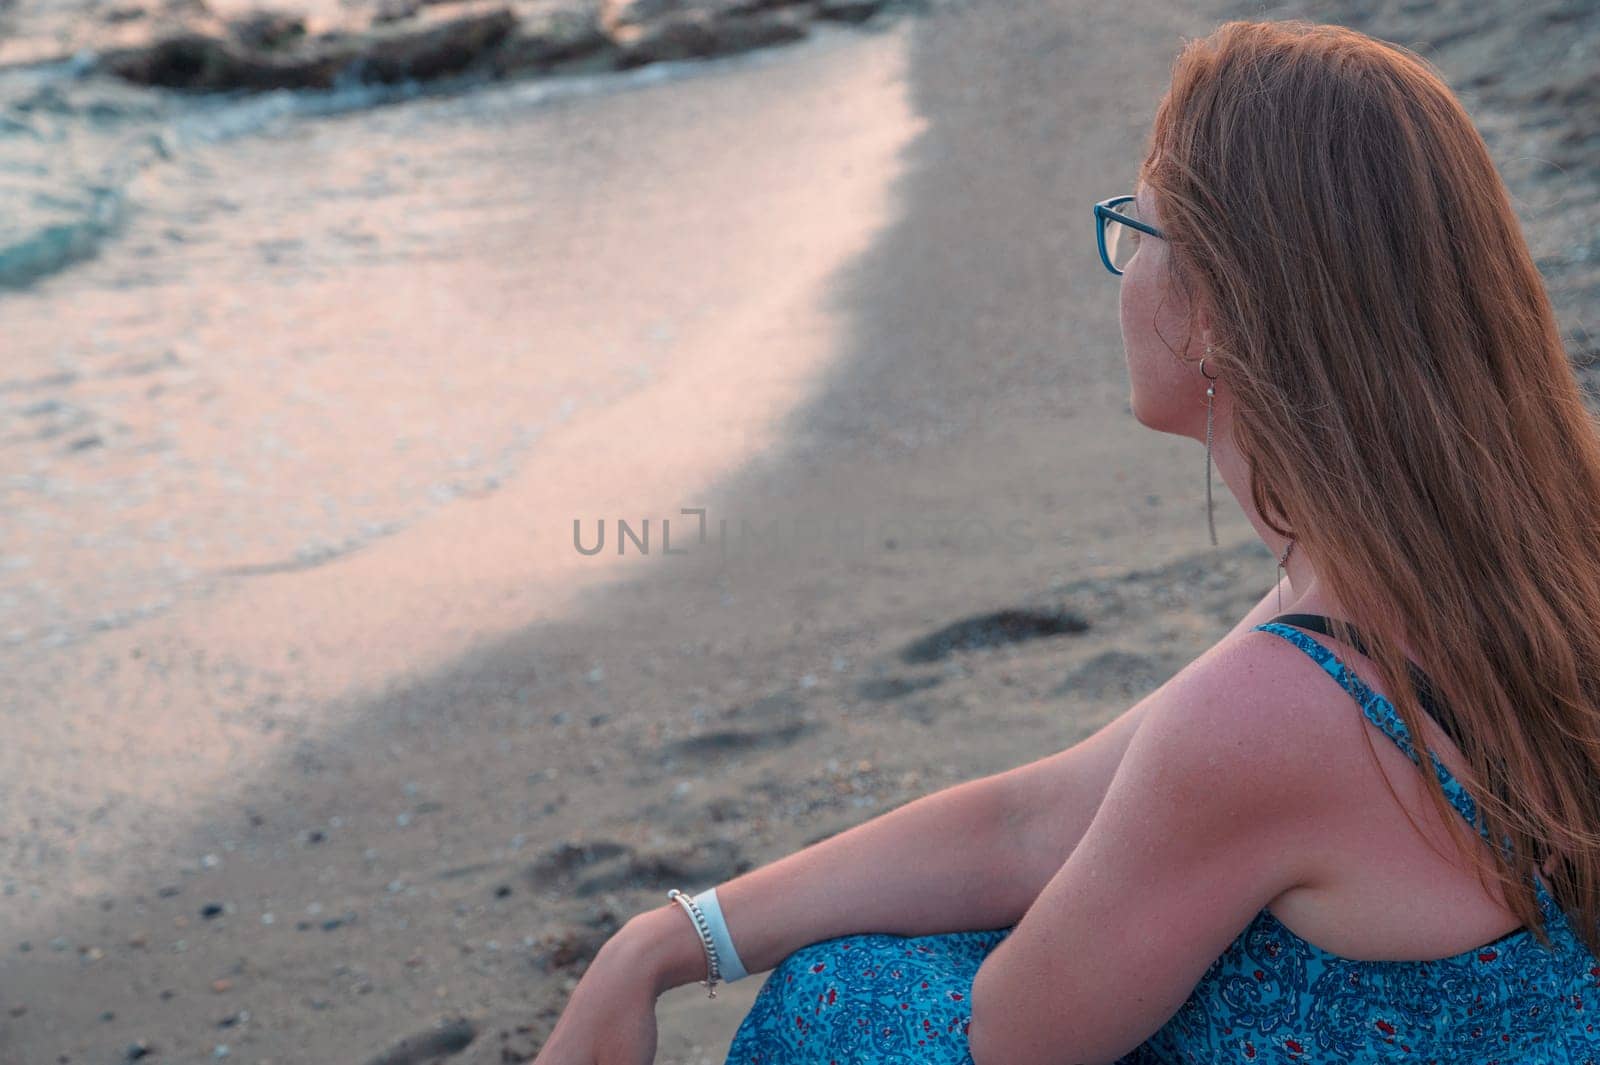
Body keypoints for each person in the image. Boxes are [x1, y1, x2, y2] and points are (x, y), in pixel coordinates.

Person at [531, 17, 1600, 1065]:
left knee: (836, 996)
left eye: (1137, 232)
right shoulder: (1504, 561)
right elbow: (1036, 821)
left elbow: (1016, 1036)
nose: (1123, 270)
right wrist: (664, 944)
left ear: (1219, 311)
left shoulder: (1291, 703)